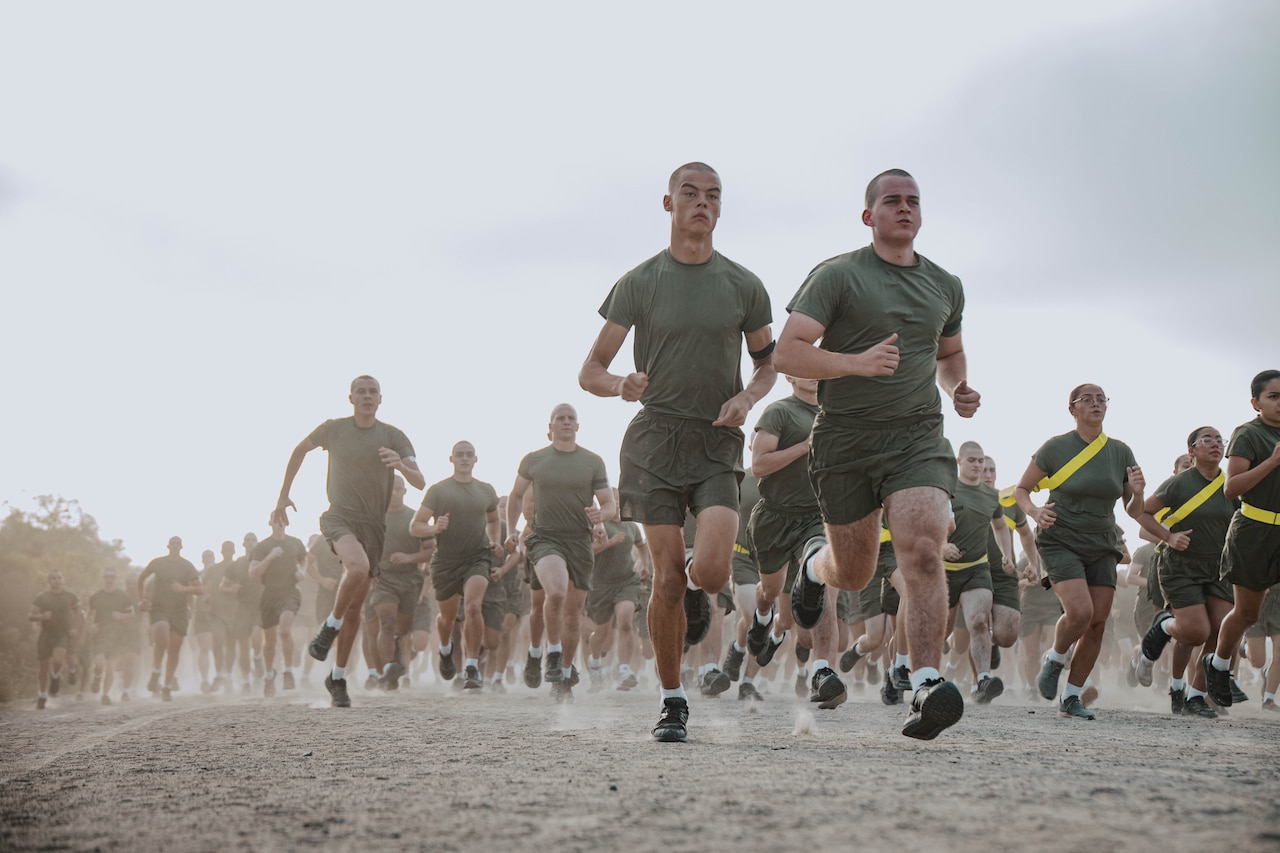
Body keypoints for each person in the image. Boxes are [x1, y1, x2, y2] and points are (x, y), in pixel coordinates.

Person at [773, 168, 979, 740]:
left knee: (922, 551)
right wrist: (854, 363)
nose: (905, 209)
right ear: (869, 216)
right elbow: (787, 354)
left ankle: (926, 683)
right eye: (892, 201)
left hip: (916, 436)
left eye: (913, 201)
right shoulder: (838, 275)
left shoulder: (945, 284)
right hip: (844, 440)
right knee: (855, 570)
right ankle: (814, 569)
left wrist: (956, 386)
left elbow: (950, 351)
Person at [579, 161, 775, 742]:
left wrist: (746, 397)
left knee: (710, 570)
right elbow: (590, 369)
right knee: (666, 576)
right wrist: (620, 386)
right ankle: (671, 699)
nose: (701, 203)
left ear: (720, 208)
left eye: (712, 195)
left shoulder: (744, 285)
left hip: (717, 437)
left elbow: (769, 365)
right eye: (689, 193)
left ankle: (693, 592)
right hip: (654, 441)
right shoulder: (639, 283)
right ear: (668, 204)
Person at [274, 375, 424, 708]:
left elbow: (419, 480)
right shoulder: (334, 429)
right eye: (361, 391)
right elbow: (299, 450)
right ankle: (329, 627)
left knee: (356, 606)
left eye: (373, 392)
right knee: (357, 567)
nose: (367, 396)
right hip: (340, 515)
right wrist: (283, 496)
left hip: (375, 526)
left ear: (380, 399)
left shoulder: (394, 436)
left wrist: (399, 463)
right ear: (351, 398)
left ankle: (337, 677)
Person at [1014, 384, 1144, 720]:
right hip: (1060, 538)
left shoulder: (1121, 451)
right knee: (1081, 612)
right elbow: (1021, 489)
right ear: (1072, 409)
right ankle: (1055, 658)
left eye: (1102, 399)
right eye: (1087, 399)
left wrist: (1140, 493)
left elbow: (1132, 509)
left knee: (1097, 624)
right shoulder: (1056, 447)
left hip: (1103, 541)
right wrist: (1034, 512)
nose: (1096, 404)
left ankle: (1071, 696)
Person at [746, 375, 846, 709]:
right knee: (770, 592)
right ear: (789, 375)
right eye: (804, 366)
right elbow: (758, 465)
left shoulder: (835, 414)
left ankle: (823, 671)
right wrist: (805, 447)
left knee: (823, 577)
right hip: (774, 517)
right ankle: (762, 619)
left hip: (815, 517)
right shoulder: (779, 412)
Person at [506, 404, 614, 702]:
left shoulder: (592, 461)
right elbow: (515, 495)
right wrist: (510, 531)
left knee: (572, 617)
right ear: (550, 426)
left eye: (571, 419)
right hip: (544, 537)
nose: (566, 422)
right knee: (554, 593)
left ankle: (564, 674)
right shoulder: (534, 459)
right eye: (560, 418)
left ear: (577, 426)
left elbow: (608, 503)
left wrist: (600, 516)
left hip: (579, 542)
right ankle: (549, 653)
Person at [1133, 426, 1237, 718]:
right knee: (1194, 631)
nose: (1215, 444)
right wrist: (1168, 537)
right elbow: (1142, 513)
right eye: (1207, 440)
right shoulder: (1178, 484)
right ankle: (1163, 627)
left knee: (1220, 628)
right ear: (1192, 450)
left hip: (1217, 567)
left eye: (1220, 440)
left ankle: (1193, 695)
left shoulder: (1230, 485)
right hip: (1180, 566)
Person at [1202, 370, 1280, 708]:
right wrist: (1274, 461)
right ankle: (1218, 665)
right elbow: (1231, 487)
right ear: (1256, 402)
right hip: (1254, 532)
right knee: (1246, 614)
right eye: (1273, 396)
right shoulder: (1248, 434)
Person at [411, 441, 504, 691]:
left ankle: (472, 666)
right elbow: (415, 525)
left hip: (477, 557)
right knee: (447, 618)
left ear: (476, 460)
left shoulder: (486, 490)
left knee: (474, 606)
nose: (464, 459)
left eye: (469, 455)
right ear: (451, 459)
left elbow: (494, 520)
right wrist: (434, 528)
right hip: (446, 561)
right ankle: (445, 649)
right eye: (460, 455)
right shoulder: (438, 491)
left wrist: (495, 542)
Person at [942, 441, 1013, 703]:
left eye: (981, 460)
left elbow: (1001, 526)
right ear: (959, 461)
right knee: (942, 633)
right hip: (945, 571)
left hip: (977, 569)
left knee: (979, 621)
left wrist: (1006, 554)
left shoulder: (991, 496)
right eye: (972, 460)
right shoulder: (947, 489)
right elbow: (929, 521)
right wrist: (941, 545)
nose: (978, 465)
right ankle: (914, 673)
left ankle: (982, 680)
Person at [366, 475, 434, 689]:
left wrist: (409, 558)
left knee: (402, 630)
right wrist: (370, 570)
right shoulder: (373, 518)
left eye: (398, 489)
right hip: (383, 580)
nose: (394, 493)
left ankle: (397, 655)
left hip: (410, 581)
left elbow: (430, 551)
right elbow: (363, 548)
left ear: (404, 491)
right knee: (386, 623)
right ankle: (387, 670)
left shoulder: (415, 518)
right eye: (390, 489)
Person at [137, 536, 203, 701]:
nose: (174, 546)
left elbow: (199, 589)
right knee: (162, 639)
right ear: (167, 546)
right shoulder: (158, 563)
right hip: (159, 608)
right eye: (172, 543)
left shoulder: (187, 566)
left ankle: (166, 686)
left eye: (177, 543)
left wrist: (182, 589)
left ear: (181, 546)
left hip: (179, 611)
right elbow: (141, 578)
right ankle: (156, 672)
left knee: (174, 648)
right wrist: (142, 599)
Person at [249, 516, 308, 696]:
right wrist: (269, 557)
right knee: (270, 641)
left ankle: (288, 672)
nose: (279, 525)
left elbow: (304, 559)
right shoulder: (262, 547)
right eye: (276, 521)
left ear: (287, 523)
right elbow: (253, 573)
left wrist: (302, 572)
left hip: (289, 592)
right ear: (270, 524)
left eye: (282, 521)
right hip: (269, 594)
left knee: (284, 629)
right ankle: (269, 676)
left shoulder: (295, 543)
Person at [87, 567, 138, 705]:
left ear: (115, 579)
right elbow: (89, 616)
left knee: (110, 668)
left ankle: (105, 694)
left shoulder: (123, 597)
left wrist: (121, 616)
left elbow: (131, 614)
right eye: (106, 577)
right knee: (100, 662)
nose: (109, 579)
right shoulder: (96, 597)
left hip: (117, 637)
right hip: (100, 635)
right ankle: (97, 675)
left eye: (112, 577)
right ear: (102, 579)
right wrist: (90, 627)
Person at [29, 570, 79, 709]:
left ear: (63, 580)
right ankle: (42, 695)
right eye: (53, 578)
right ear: (49, 581)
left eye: (59, 578)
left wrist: (75, 628)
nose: (56, 580)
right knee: (43, 667)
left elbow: (78, 613)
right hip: (46, 633)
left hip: (62, 633)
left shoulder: (70, 596)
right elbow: (31, 615)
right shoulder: (42, 597)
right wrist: (41, 617)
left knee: (58, 659)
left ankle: (56, 675)